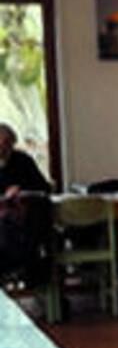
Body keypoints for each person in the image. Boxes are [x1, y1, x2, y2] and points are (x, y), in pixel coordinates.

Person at [0, 122, 52, 285]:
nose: (2, 149)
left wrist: (21, 190)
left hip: (26, 217)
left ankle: (32, 271)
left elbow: (44, 188)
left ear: (12, 144)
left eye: (6, 144)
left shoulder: (23, 160)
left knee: (39, 217)